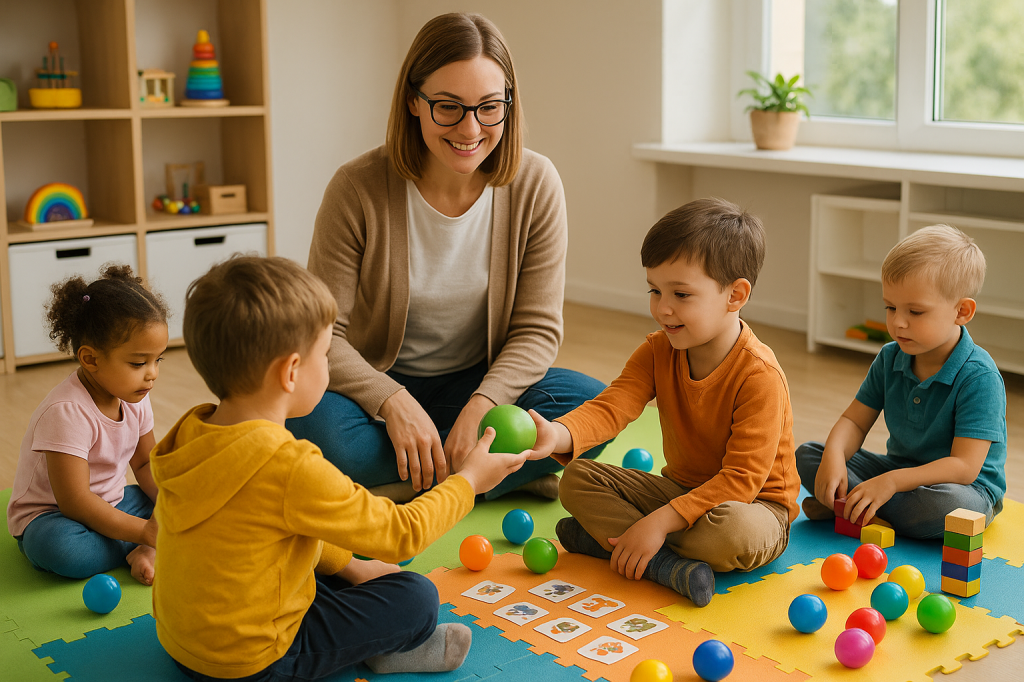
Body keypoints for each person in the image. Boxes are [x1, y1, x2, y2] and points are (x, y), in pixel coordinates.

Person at [151, 256, 532, 681]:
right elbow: (401, 534)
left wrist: (351, 565)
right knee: (416, 598)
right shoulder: (288, 464)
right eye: (326, 354)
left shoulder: (192, 430)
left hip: (184, 643)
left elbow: (278, 526)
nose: (330, 367)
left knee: (336, 559)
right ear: (291, 372)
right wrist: (469, 481)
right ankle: (382, 653)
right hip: (252, 663)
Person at [286, 12, 606, 501]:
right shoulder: (357, 188)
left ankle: (406, 487)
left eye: (488, 107)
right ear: (414, 102)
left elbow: (537, 330)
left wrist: (483, 404)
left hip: (479, 382)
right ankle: (484, 479)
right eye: (448, 107)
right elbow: (323, 333)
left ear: (508, 104)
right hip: (377, 384)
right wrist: (391, 401)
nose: (470, 128)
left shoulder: (536, 184)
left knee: (592, 409)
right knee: (306, 420)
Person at [527, 198, 800, 607]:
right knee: (577, 479)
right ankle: (660, 562)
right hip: (678, 491)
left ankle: (617, 542)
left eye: (681, 294)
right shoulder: (658, 350)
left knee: (728, 533)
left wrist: (657, 523)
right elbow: (612, 406)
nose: (663, 308)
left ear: (735, 295)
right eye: (655, 290)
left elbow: (741, 482)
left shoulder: (760, 375)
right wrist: (559, 433)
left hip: (752, 509)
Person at [798, 224, 1006, 538]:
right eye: (891, 307)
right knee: (808, 454)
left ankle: (852, 508)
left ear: (962, 311)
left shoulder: (980, 376)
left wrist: (891, 483)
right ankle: (864, 508)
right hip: (897, 471)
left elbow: (964, 467)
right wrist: (834, 457)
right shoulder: (889, 357)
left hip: (962, 488)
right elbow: (854, 422)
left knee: (953, 508)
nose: (898, 322)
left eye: (916, 311)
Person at [6, 264, 167, 585]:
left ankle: (144, 541)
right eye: (138, 363)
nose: (152, 374)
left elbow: (146, 463)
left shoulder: (135, 395)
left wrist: (169, 503)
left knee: (176, 496)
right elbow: (75, 500)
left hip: (115, 500)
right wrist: (147, 531)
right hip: (54, 517)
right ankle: (143, 544)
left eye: (157, 360)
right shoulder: (66, 412)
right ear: (91, 359)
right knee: (61, 550)